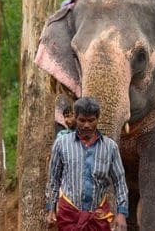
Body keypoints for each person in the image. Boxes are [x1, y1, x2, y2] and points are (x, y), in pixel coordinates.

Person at [45, 97, 128, 231]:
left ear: (97, 119)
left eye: (91, 120)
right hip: (69, 216)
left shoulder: (110, 147)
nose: (86, 125)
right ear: (75, 118)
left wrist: (122, 213)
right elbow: (53, 180)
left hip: (98, 218)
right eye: (82, 120)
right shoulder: (61, 144)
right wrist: (51, 208)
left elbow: (120, 182)